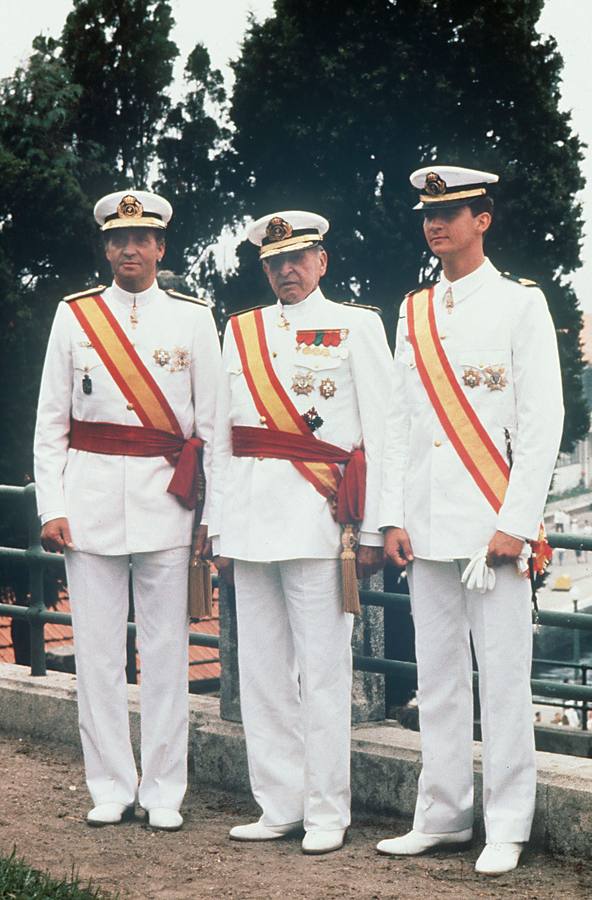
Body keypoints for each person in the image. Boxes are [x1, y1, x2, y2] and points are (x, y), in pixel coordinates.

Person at [377, 166, 564, 875]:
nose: (436, 223)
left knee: (505, 679)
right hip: (428, 524)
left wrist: (516, 521)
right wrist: (392, 515)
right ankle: (444, 815)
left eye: (452, 211)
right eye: (429, 211)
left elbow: (543, 422)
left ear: (483, 218)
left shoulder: (520, 304)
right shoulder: (415, 310)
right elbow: (400, 422)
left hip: (494, 531)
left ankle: (507, 824)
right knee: (439, 677)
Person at [34, 190, 220, 830]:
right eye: (119, 239)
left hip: (167, 505)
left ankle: (164, 789)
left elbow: (212, 426)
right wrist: (51, 505)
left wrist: (208, 517)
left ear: (161, 247)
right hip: (88, 507)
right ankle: (110, 784)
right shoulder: (74, 315)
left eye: (142, 239)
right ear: (107, 248)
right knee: (97, 654)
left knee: (168, 654)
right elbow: (50, 424)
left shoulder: (195, 318)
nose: (130, 249)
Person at [208, 210, 392, 854]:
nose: (286, 269)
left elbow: (383, 432)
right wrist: (218, 527)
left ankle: (326, 812)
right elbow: (223, 441)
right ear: (262, 268)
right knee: (260, 673)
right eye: (273, 261)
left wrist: (374, 528)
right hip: (253, 522)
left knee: (322, 673)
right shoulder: (241, 330)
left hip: (321, 523)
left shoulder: (357, 325)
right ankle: (279, 803)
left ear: (322, 262)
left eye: (298, 258)